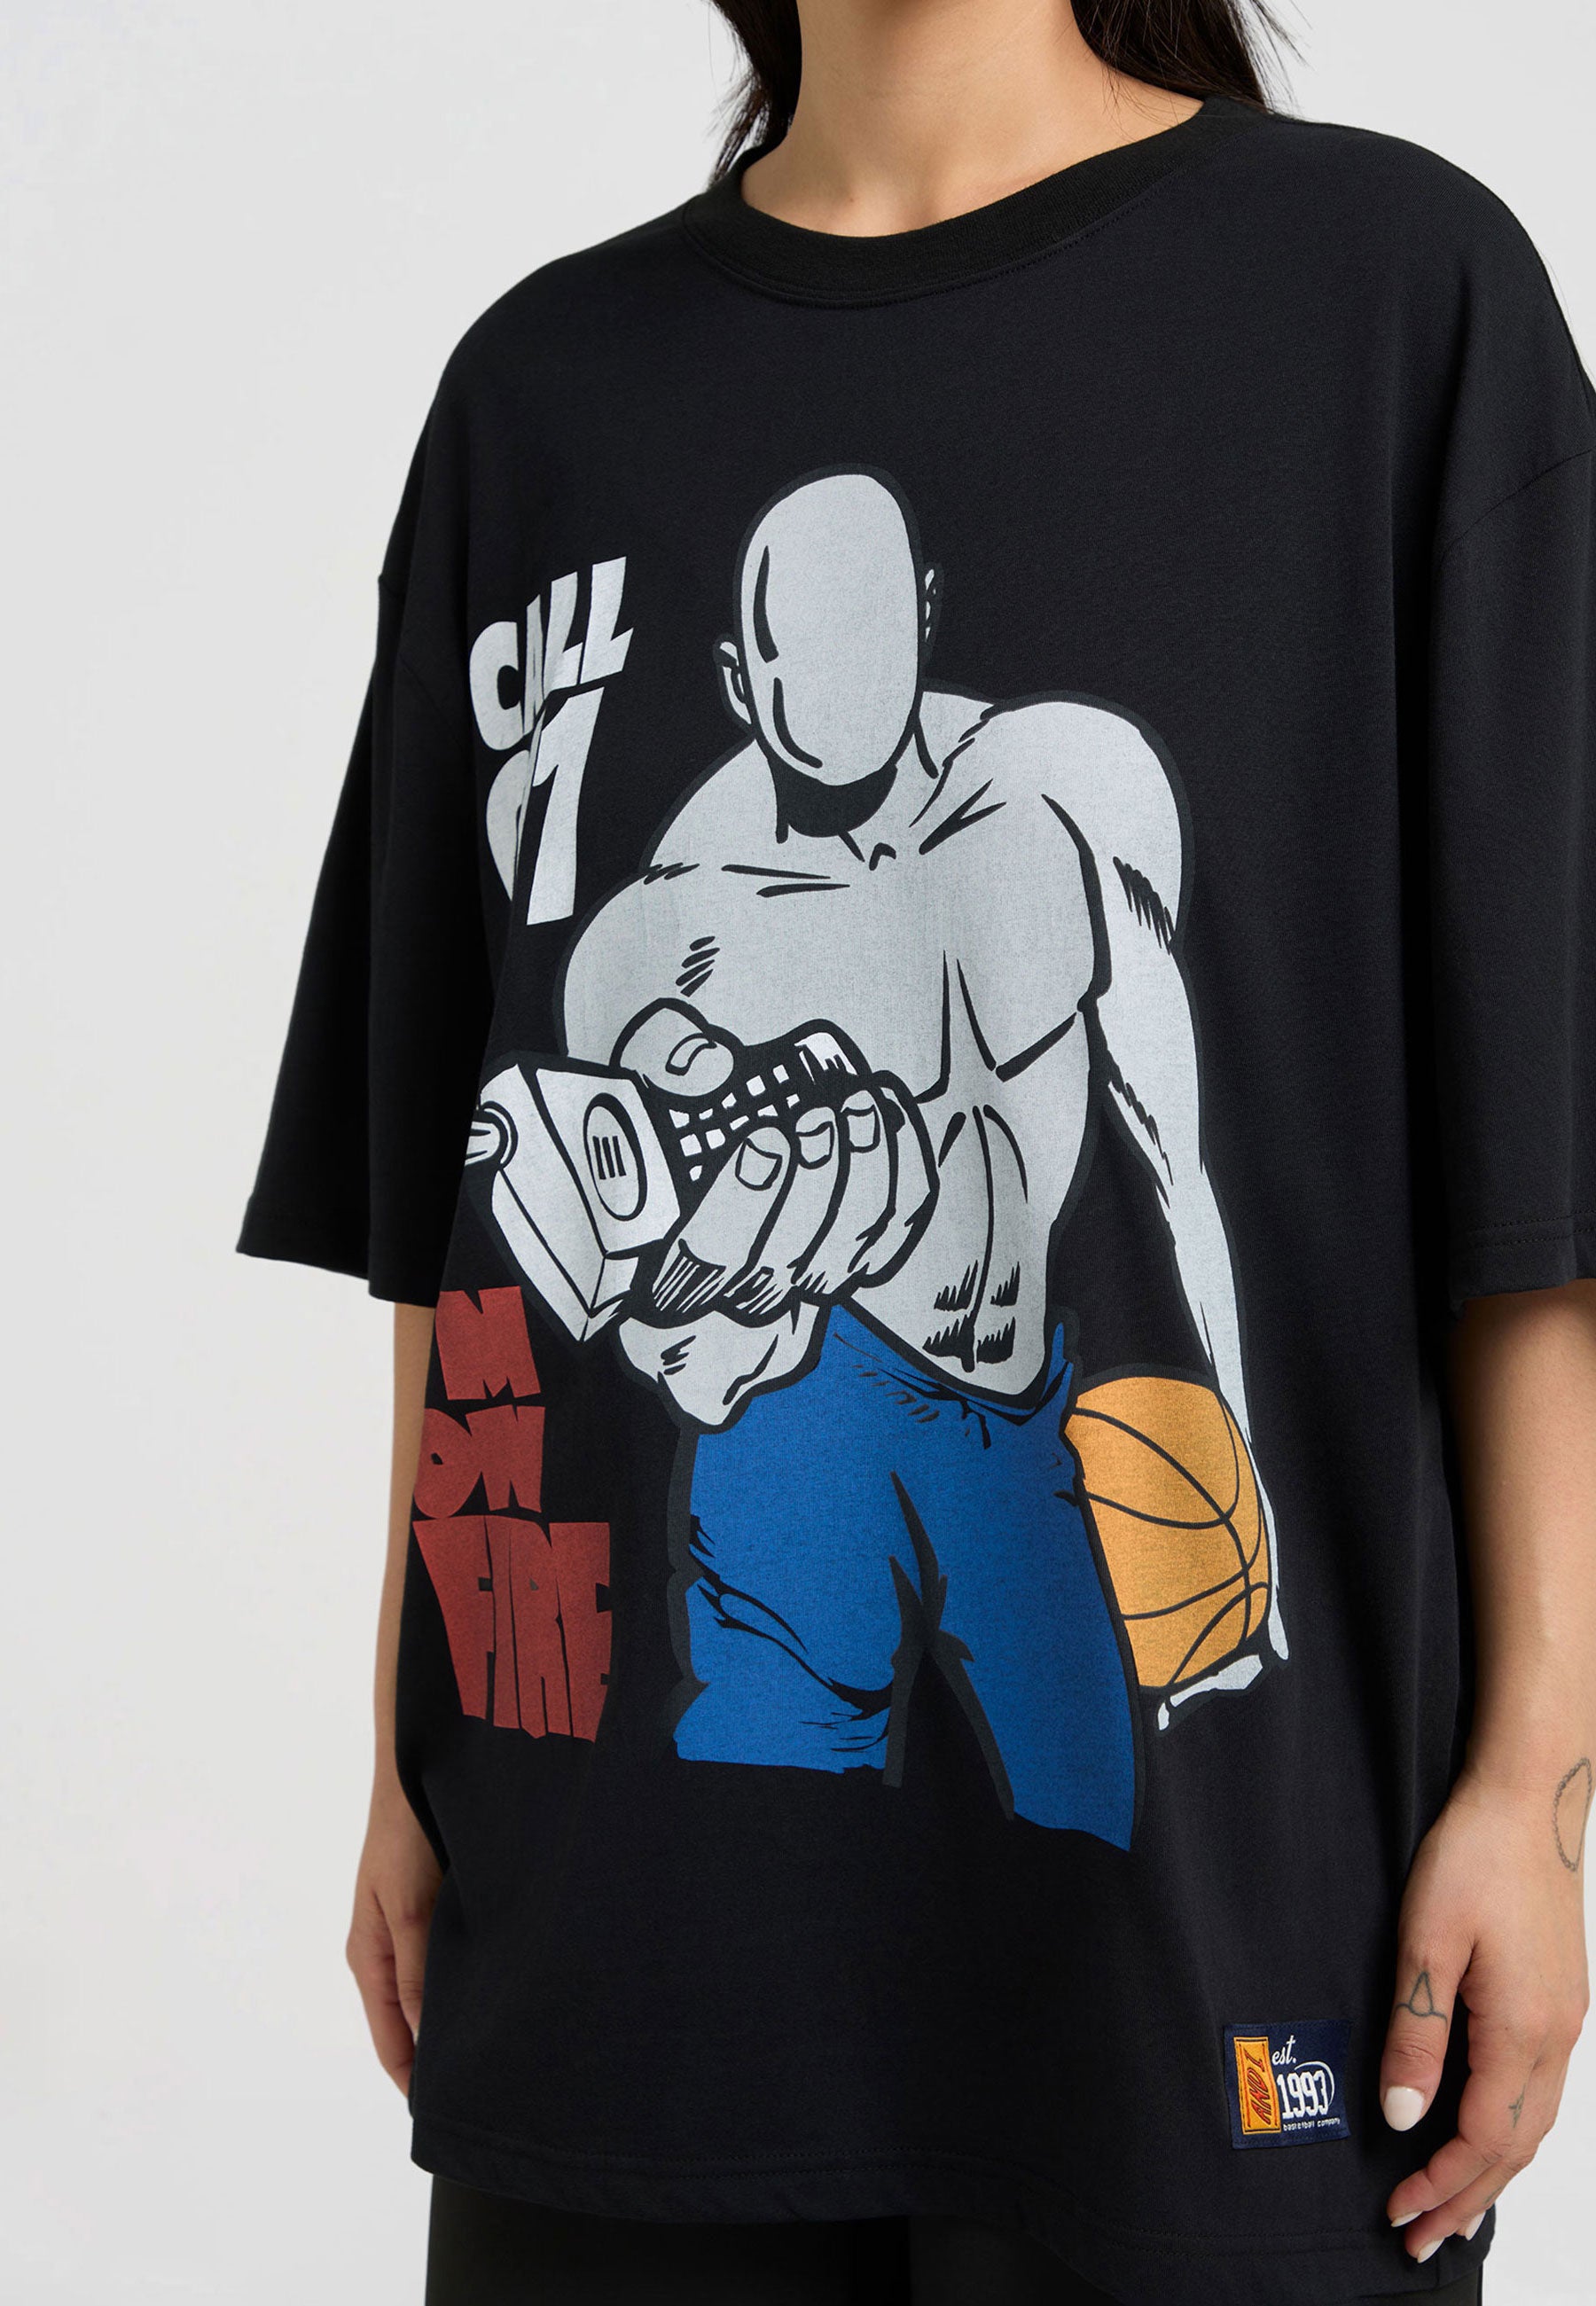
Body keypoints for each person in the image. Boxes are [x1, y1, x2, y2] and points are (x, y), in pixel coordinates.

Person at [239, 2, 1595, 2300]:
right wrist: (405, 1749)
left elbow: (1530, 1151)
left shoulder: (1386, 304)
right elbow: (450, 1207)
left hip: (1214, 1892)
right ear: (751, 681)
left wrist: (1536, 1778)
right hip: (629, 1905)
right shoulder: (545, 399)